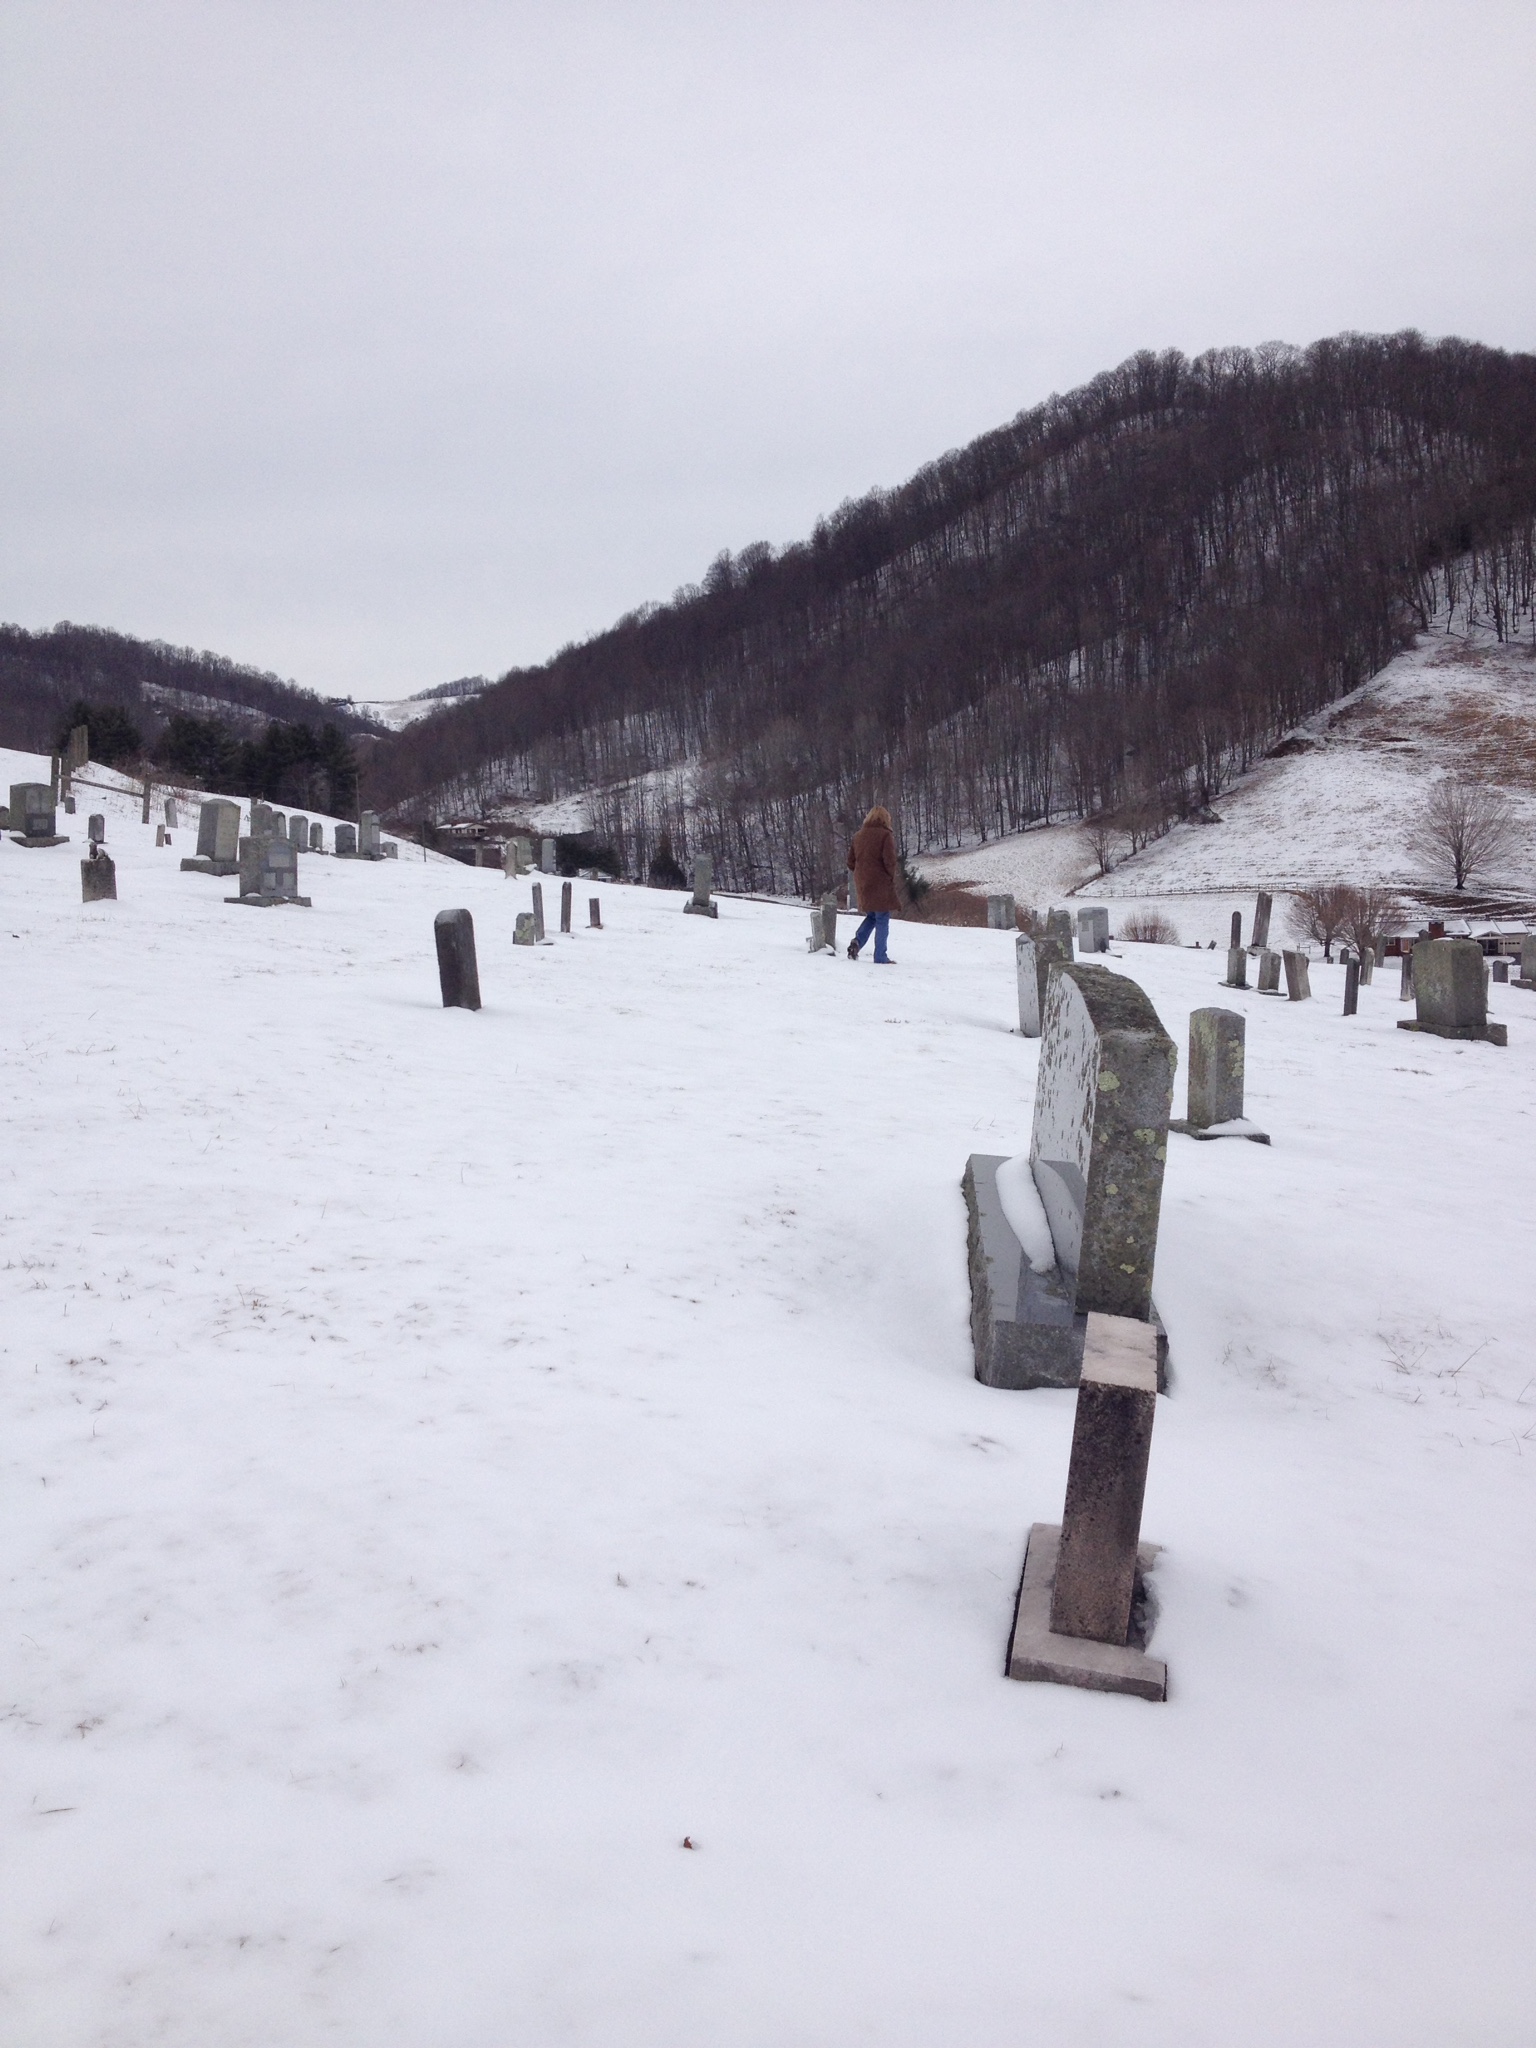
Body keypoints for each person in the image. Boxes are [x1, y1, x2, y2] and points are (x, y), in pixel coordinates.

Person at [846, 804, 900, 964]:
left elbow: (850, 862)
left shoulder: (858, 836)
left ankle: (857, 942)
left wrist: (862, 873)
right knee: (882, 916)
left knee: (872, 916)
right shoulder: (885, 835)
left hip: (863, 882)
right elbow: (889, 861)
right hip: (880, 882)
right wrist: (890, 876)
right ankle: (880, 956)